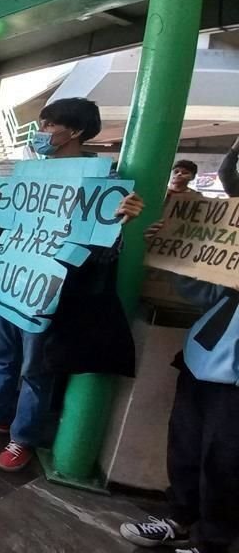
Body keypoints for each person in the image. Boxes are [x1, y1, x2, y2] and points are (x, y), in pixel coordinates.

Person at [0, 98, 144, 472]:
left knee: (35, 368)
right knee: (3, 355)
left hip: (48, 287)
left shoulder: (99, 178)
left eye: (48, 126)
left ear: (74, 131)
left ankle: (23, 436)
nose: (41, 133)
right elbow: (9, 225)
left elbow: (102, 247)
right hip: (11, 279)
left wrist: (120, 221)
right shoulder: (27, 174)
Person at [118, 221, 238, 553]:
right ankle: (179, 519)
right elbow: (204, 293)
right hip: (201, 360)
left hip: (233, 382)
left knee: (226, 465)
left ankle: (211, 542)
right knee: (185, 447)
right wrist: (172, 250)